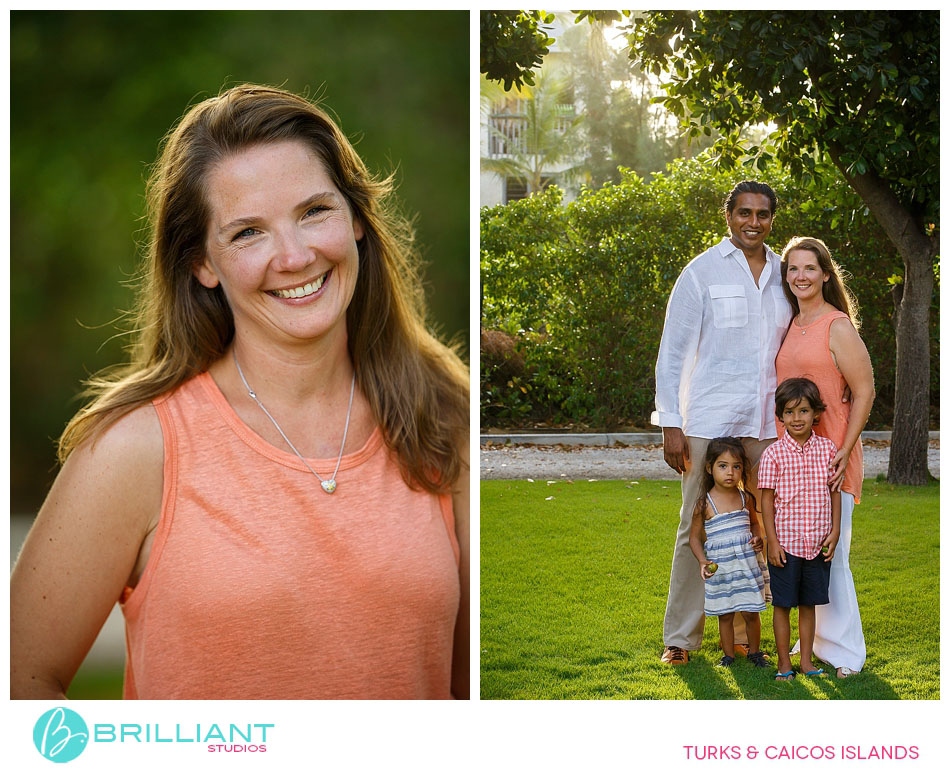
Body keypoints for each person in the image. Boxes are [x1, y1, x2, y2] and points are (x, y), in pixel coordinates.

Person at [10, 84, 470, 700]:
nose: (295, 255)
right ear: (203, 263)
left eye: (314, 211)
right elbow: (19, 679)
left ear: (357, 219)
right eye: (249, 232)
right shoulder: (136, 449)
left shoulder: (447, 421)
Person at [652, 180, 792, 665]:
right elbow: (673, 352)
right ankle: (681, 639)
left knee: (769, 524)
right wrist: (671, 423)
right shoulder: (701, 272)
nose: (754, 222)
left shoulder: (783, 273)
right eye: (744, 213)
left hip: (766, 422)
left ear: (773, 219)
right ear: (728, 215)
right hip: (708, 417)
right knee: (696, 524)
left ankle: (762, 636)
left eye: (763, 214)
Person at [776, 236, 874, 678]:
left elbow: (866, 390)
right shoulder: (789, 324)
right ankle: (812, 642)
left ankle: (847, 653)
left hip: (830, 457)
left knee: (833, 557)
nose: (800, 276)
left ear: (825, 275)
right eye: (793, 269)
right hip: (793, 460)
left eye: (809, 268)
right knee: (803, 553)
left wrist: (845, 451)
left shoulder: (837, 326)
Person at [759, 378, 841, 681]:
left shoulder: (828, 449)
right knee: (783, 606)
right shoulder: (773, 455)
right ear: (780, 416)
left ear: (815, 413)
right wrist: (772, 542)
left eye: (804, 411)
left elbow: (835, 491)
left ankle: (806, 662)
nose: (797, 418)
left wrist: (835, 531)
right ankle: (784, 664)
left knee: (808, 605)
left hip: (817, 543)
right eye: (790, 412)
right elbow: (766, 501)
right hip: (786, 544)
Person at [688, 438, 768, 669]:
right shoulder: (705, 503)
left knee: (751, 611)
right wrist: (703, 561)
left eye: (736, 466)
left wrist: (757, 537)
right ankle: (728, 656)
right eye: (722, 466)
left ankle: (755, 652)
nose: (730, 472)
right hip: (722, 568)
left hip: (745, 565)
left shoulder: (746, 498)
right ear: (709, 468)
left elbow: (754, 524)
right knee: (726, 614)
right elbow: (694, 537)